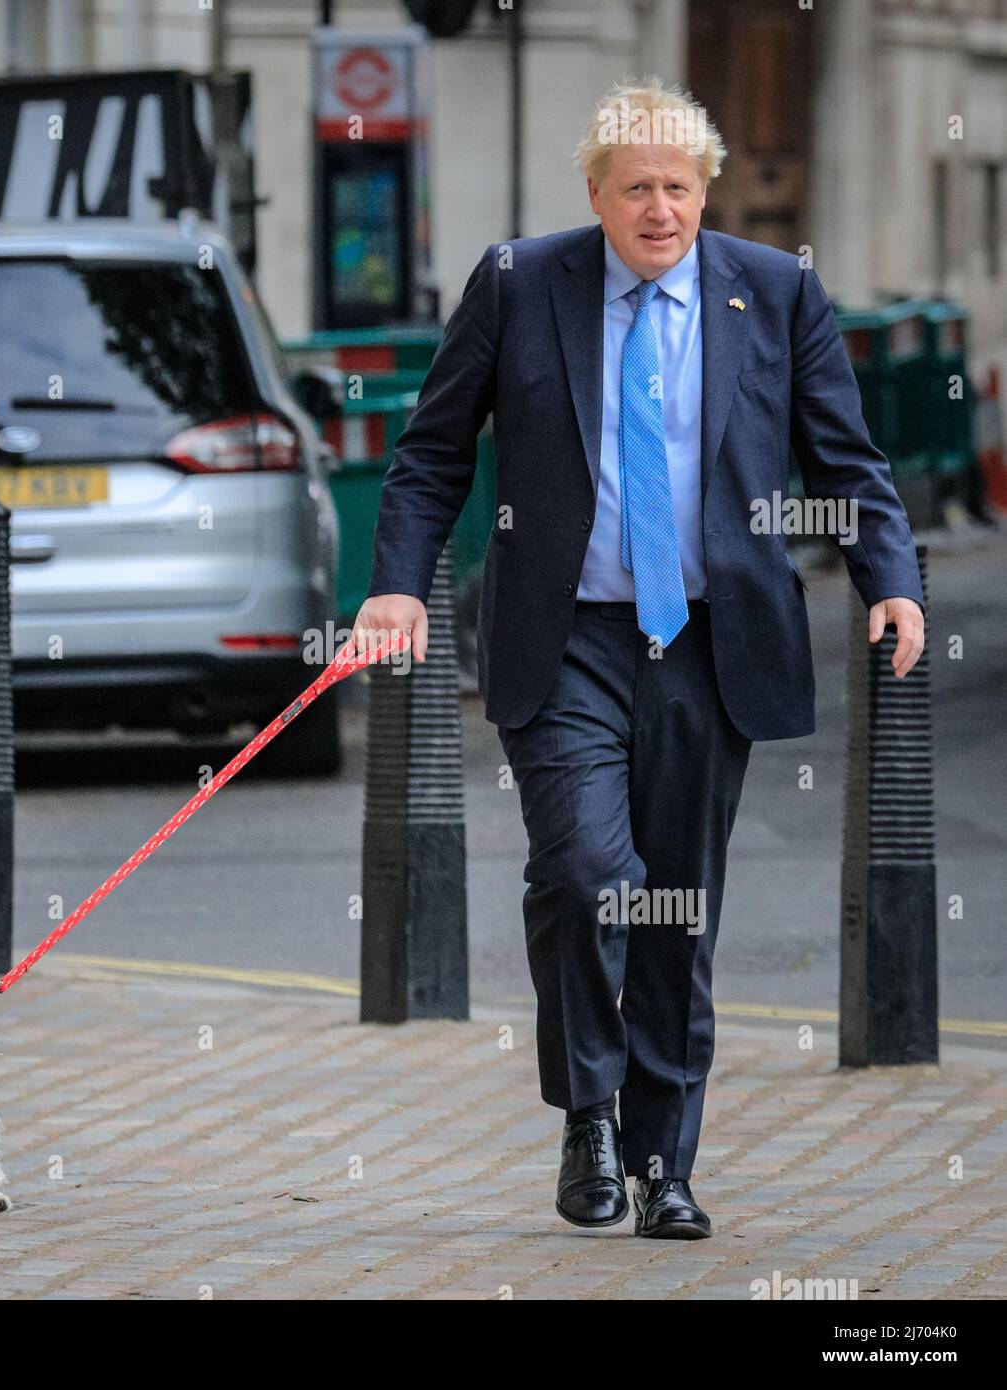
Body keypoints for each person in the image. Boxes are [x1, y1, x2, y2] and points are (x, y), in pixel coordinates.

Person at [352, 77, 925, 1239]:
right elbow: (427, 451)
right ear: (595, 193)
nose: (657, 209)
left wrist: (894, 581)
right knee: (583, 870)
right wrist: (395, 586)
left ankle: (666, 1162)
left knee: (675, 908)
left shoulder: (774, 293)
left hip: (707, 644)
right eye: (635, 188)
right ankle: (589, 1110)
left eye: (677, 187)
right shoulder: (520, 284)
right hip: (567, 637)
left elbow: (846, 459)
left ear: (705, 192)